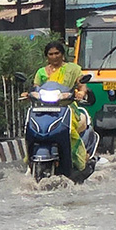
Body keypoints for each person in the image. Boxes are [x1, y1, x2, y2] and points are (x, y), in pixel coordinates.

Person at [27, 40, 91, 171]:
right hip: (43, 107)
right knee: (30, 128)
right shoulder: (41, 72)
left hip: (66, 106)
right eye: (51, 54)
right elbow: (36, 88)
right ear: (46, 56)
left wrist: (81, 92)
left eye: (57, 53)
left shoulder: (72, 69)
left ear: (62, 54)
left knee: (70, 130)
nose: (54, 56)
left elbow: (81, 84)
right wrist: (28, 93)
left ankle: (79, 157)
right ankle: (30, 159)